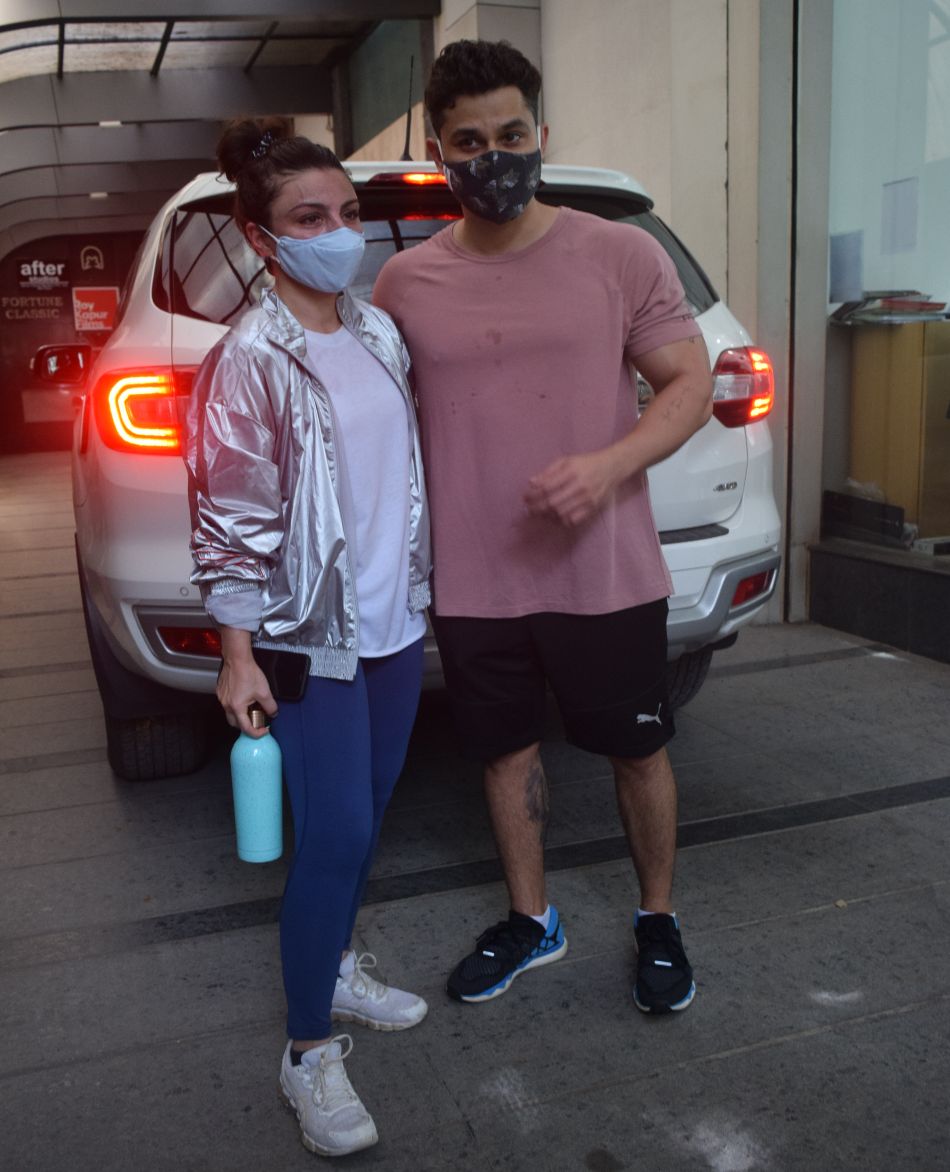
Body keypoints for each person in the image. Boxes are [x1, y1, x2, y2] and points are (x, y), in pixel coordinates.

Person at [373, 40, 712, 1015]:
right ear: (439, 154)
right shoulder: (405, 286)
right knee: (504, 752)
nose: (495, 157)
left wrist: (607, 466)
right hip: (475, 577)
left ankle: (657, 917)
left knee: (636, 748)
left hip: (603, 570)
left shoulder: (618, 254)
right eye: (470, 141)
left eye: (512, 134)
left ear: (542, 134)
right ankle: (533, 920)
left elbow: (688, 385)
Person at [184, 117, 431, 1158]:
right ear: (261, 236)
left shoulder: (376, 332)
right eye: (309, 218)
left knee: (366, 821)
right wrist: (238, 654)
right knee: (332, 833)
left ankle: (331, 964)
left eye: (348, 213)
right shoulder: (248, 358)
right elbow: (230, 521)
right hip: (308, 636)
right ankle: (306, 1048)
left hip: (394, 626)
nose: (338, 233)